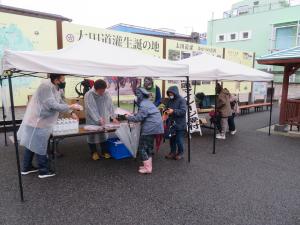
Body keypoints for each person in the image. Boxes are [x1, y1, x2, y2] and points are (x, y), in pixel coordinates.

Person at [18, 74, 80, 179]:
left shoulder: (56, 88)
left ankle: (26, 167)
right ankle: (43, 171)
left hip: (41, 121)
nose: (64, 82)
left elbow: (60, 102)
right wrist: (71, 106)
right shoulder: (45, 87)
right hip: (37, 121)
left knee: (31, 144)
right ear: (56, 80)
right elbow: (52, 105)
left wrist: (71, 112)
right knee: (40, 146)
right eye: (63, 80)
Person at [126, 88, 163, 174]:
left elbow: (139, 118)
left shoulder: (143, 104)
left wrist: (128, 117)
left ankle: (147, 168)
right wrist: (135, 115)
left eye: (137, 96)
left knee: (142, 147)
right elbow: (144, 114)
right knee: (149, 147)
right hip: (156, 127)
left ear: (140, 96)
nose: (136, 98)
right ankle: (148, 165)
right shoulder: (148, 102)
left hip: (150, 128)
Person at [84, 79, 119, 161]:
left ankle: (104, 151)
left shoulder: (106, 93)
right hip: (92, 118)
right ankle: (94, 152)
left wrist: (113, 117)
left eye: (104, 90)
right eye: (101, 91)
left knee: (103, 133)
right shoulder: (89, 94)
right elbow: (90, 109)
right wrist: (98, 118)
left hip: (104, 115)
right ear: (96, 89)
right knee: (92, 134)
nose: (102, 92)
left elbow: (110, 105)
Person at [164, 86, 187, 160]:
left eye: (171, 94)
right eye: (169, 94)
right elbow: (167, 108)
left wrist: (173, 111)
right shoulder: (170, 100)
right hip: (172, 124)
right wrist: (166, 111)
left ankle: (180, 153)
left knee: (179, 139)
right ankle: (172, 152)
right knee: (172, 139)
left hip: (180, 124)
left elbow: (183, 112)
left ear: (175, 93)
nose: (170, 95)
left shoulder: (182, 100)